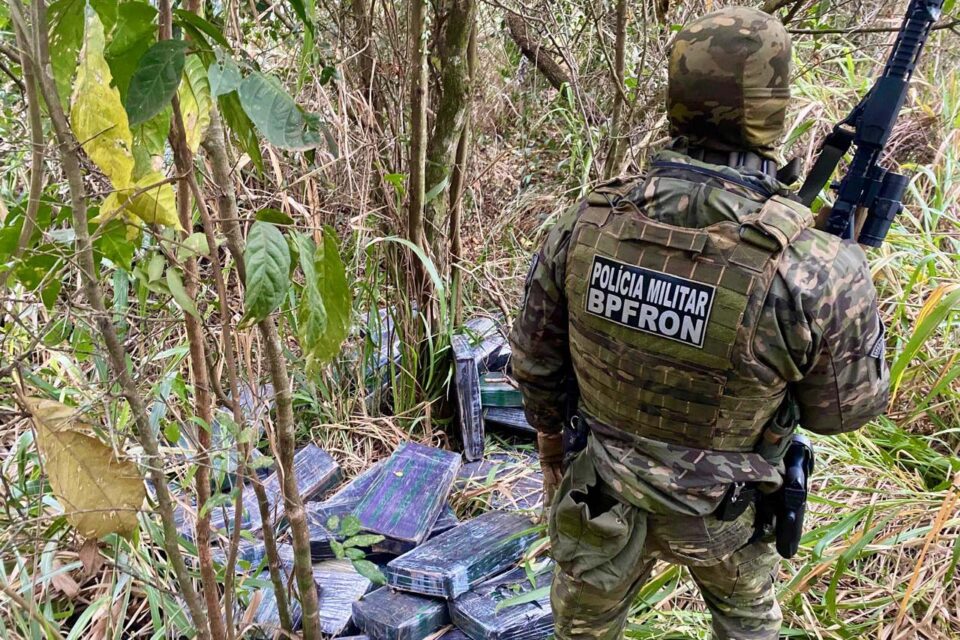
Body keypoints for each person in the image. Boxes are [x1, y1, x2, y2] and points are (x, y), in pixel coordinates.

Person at [508, 6, 890, 640]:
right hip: (727, 513)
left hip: (598, 495)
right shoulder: (813, 265)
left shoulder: (585, 223)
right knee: (747, 624)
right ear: (775, 108)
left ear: (676, 95)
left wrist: (553, 452)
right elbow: (840, 413)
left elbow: (536, 366)